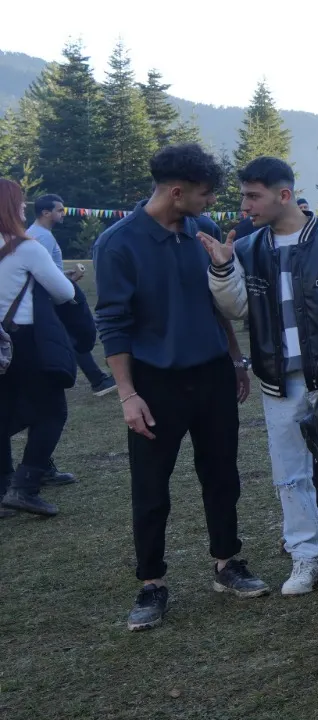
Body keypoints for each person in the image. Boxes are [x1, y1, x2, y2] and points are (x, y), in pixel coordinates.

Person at [94, 144, 267, 631]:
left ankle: (226, 562)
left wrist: (235, 360)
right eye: (206, 194)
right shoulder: (118, 243)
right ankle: (151, 583)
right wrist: (128, 393)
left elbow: (216, 304)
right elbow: (113, 323)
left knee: (222, 474)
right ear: (177, 192)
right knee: (151, 489)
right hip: (154, 383)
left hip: (211, 374)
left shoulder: (204, 232)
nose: (212, 202)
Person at [199, 157, 318, 596]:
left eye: (253, 196)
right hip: (278, 379)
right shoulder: (246, 249)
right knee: (289, 473)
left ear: (283, 195)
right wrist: (222, 269)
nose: (245, 205)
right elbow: (236, 309)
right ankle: (305, 556)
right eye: (243, 195)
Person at [0, 179, 94, 517]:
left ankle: (3, 488)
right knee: (52, 412)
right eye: (21, 204)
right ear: (11, 208)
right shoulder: (26, 248)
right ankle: (25, 486)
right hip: (24, 341)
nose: (24, 209)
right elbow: (64, 293)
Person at [28, 194, 114, 396]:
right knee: (75, 336)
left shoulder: (37, 234)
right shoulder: (42, 236)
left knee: (68, 337)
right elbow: (38, 275)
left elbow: (45, 269)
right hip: (53, 297)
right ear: (45, 213)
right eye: (59, 210)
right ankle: (97, 379)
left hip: (51, 294)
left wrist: (64, 275)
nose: (62, 213)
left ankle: (98, 379)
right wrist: (65, 283)